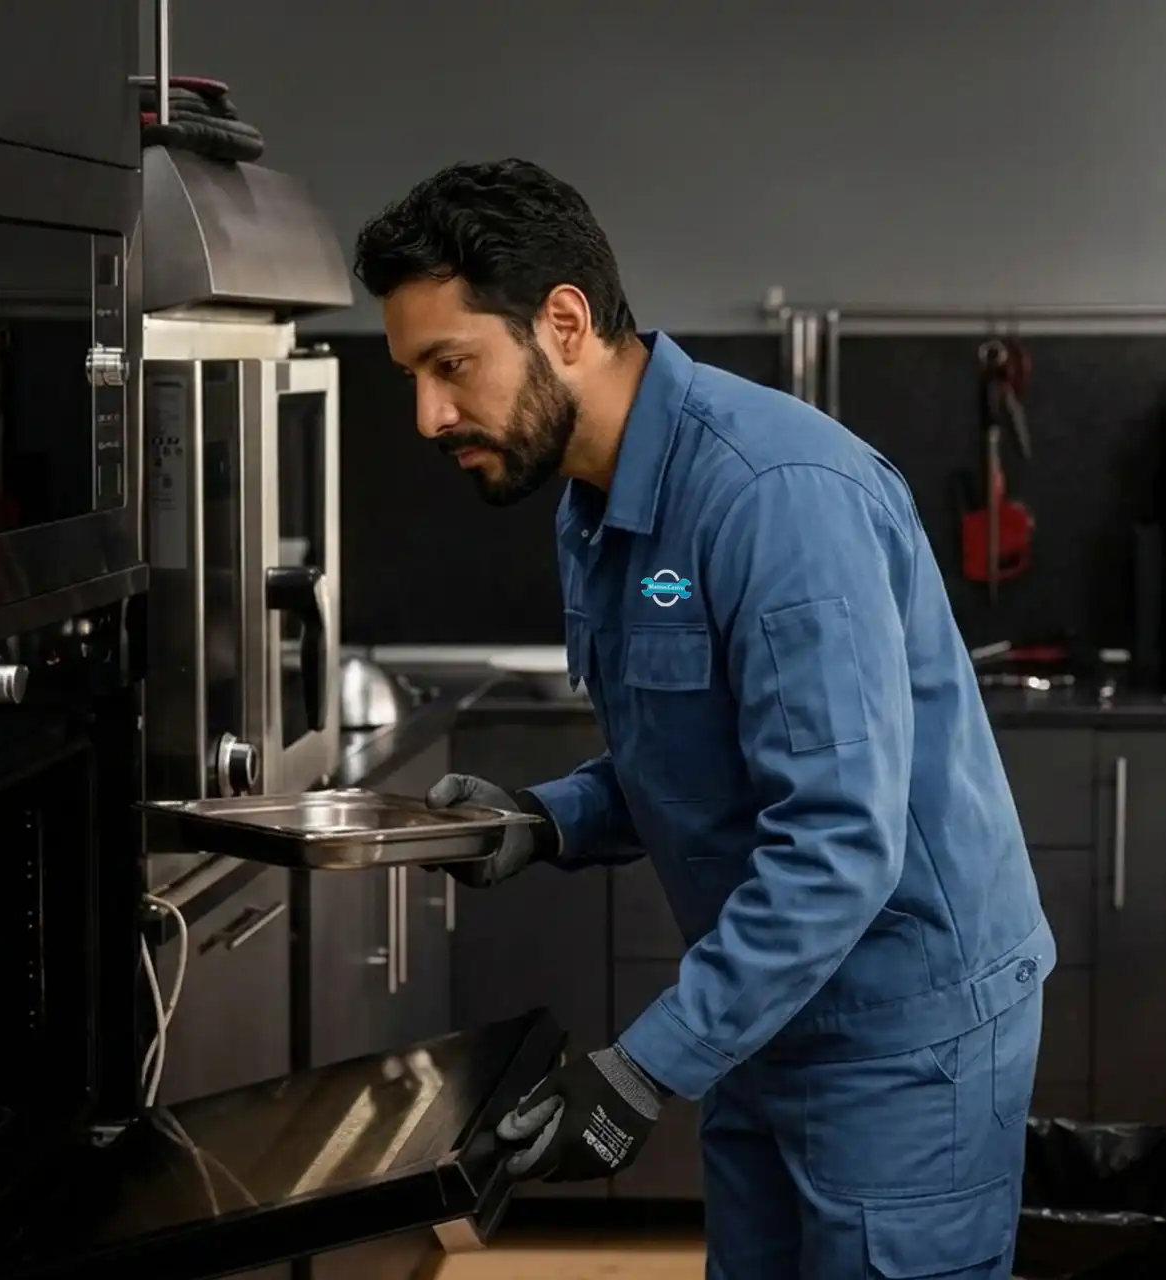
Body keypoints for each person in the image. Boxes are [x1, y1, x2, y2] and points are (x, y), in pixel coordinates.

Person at [352, 158, 1053, 1278]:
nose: (429, 415)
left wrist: (643, 1066)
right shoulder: (592, 504)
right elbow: (695, 752)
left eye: (451, 365)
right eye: (413, 376)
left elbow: (836, 844)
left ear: (565, 324)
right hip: (767, 1009)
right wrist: (547, 819)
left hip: (899, 1038)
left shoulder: (775, 496)